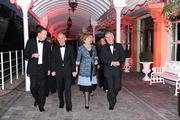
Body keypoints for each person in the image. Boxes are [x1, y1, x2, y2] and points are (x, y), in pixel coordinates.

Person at [24, 25, 51, 112]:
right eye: (44, 34)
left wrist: (49, 69)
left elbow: (49, 58)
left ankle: (41, 106)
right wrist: (32, 55)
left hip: (43, 68)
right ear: (39, 34)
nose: (45, 36)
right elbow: (25, 54)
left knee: (42, 88)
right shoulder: (30, 42)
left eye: (46, 34)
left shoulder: (47, 44)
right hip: (33, 68)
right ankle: (37, 99)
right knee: (33, 87)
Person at [51, 32, 76, 112]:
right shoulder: (54, 48)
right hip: (58, 71)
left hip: (68, 71)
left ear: (65, 38)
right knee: (60, 88)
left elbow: (73, 60)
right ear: (57, 39)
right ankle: (61, 101)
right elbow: (53, 60)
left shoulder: (70, 47)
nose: (61, 39)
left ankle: (69, 105)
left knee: (68, 88)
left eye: (62, 38)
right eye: (59, 38)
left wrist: (74, 70)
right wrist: (53, 70)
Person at [100, 31, 125, 110]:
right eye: (106, 37)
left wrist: (119, 62)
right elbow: (102, 59)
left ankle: (110, 95)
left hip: (117, 70)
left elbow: (123, 57)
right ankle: (112, 103)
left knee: (117, 87)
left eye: (110, 36)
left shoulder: (119, 46)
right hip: (108, 70)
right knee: (110, 87)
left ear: (113, 37)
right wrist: (111, 62)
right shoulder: (103, 47)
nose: (108, 38)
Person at [74, 32, 98, 109]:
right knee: (86, 88)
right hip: (84, 70)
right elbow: (77, 60)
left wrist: (96, 60)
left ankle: (88, 94)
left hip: (92, 70)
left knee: (91, 86)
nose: (91, 39)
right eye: (89, 38)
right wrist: (76, 70)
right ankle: (86, 102)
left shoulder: (93, 47)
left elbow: (96, 56)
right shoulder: (80, 48)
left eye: (91, 38)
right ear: (84, 40)